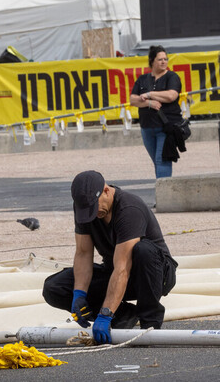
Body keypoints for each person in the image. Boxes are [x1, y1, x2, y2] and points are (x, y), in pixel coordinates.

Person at [42, 170, 178, 344]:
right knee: (54, 287)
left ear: (106, 190)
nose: (92, 213)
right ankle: (123, 315)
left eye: (94, 207)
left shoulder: (129, 208)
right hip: (116, 271)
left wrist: (105, 313)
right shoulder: (84, 208)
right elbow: (83, 253)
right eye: (87, 210)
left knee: (143, 251)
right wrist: (79, 294)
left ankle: (149, 322)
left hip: (154, 274)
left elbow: (123, 267)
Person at [129, 46, 182, 178]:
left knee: (162, 161)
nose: (164, 62)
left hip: (165, 128)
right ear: (152, 61)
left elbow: (171, 96)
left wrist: (149, 94)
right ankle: (163, 190)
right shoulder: (143, 79)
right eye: (160, 59)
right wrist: (149, 102)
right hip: (147, 128)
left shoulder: (172, 77)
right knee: (157, 162)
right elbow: (133, 99)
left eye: (165, 59)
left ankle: (164, 194)